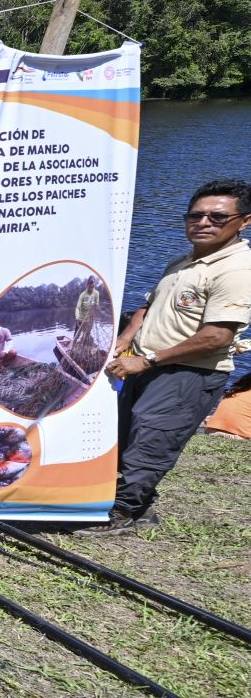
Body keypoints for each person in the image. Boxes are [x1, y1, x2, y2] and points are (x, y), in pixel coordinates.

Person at [88, 179, 251, 532]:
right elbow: (150, 304)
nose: (204, 223)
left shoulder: (237, 269)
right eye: (196, 215)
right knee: (124, 433)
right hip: (146, 364)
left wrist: (147, 361)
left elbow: (216, 337)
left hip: (187, 373)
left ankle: (126, 514)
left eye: (218, 217)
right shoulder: (185, 260)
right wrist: (126, 337)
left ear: (244, 221)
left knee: (151, 442)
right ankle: (130, 503)